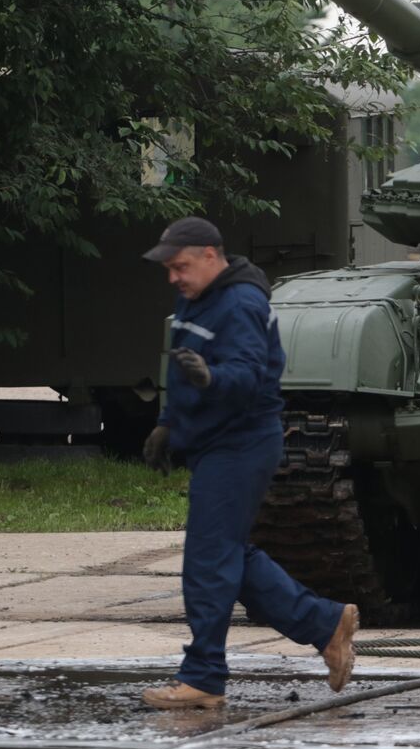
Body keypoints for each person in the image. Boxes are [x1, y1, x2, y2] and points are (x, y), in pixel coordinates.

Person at [139, 217, 359, 710]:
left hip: (239, 445)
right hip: (215, 442)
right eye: (170, 269)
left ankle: (203, 678)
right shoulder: (199, 296)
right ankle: (326, 625)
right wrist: (168, 422)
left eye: (181, 266)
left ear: (211, 256)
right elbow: (182, 360)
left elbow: (246, 375)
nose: (174, 277)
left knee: (207, 562)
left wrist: (210, 379)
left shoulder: (240, 303)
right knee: (230, 559)